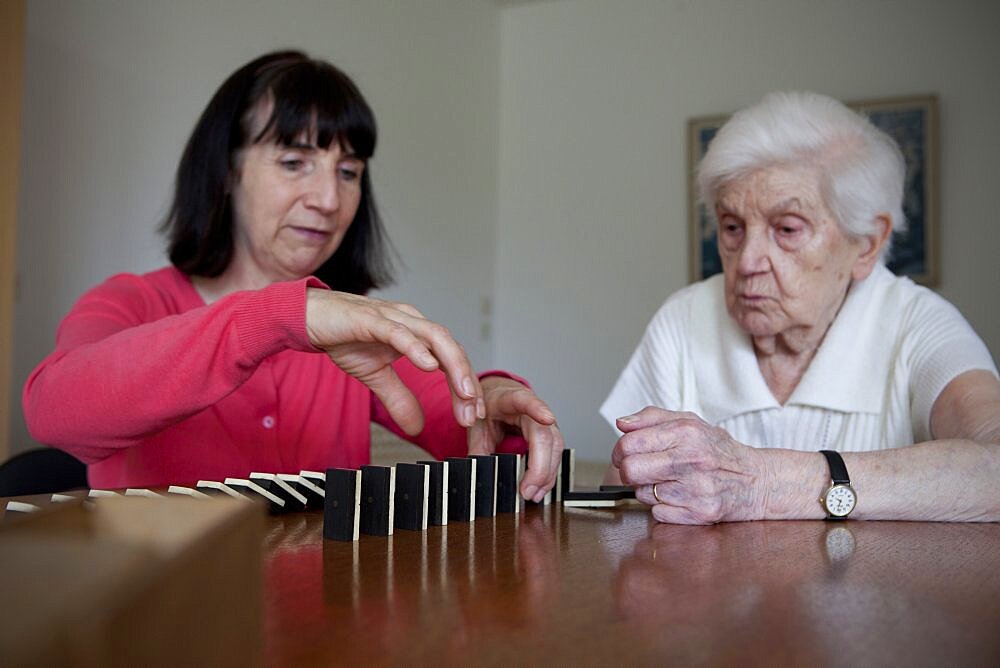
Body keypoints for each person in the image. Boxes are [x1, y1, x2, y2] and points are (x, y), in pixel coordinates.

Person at [22, 50, 563, 501]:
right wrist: (280, 317)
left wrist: (495, 403)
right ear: (228, 171)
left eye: (348, 172)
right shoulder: (130, 302)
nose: (329, 200)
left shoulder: (353, 322)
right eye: (293, 162)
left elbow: (463, 423)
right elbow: (53, 412)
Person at [601, 91, 1000, 523]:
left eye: (787, 229)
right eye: (732, 227)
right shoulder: (684, 319)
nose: (748, 261)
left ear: (866, 244)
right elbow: (619, 505)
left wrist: (765, 483)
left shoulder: (916, 322)